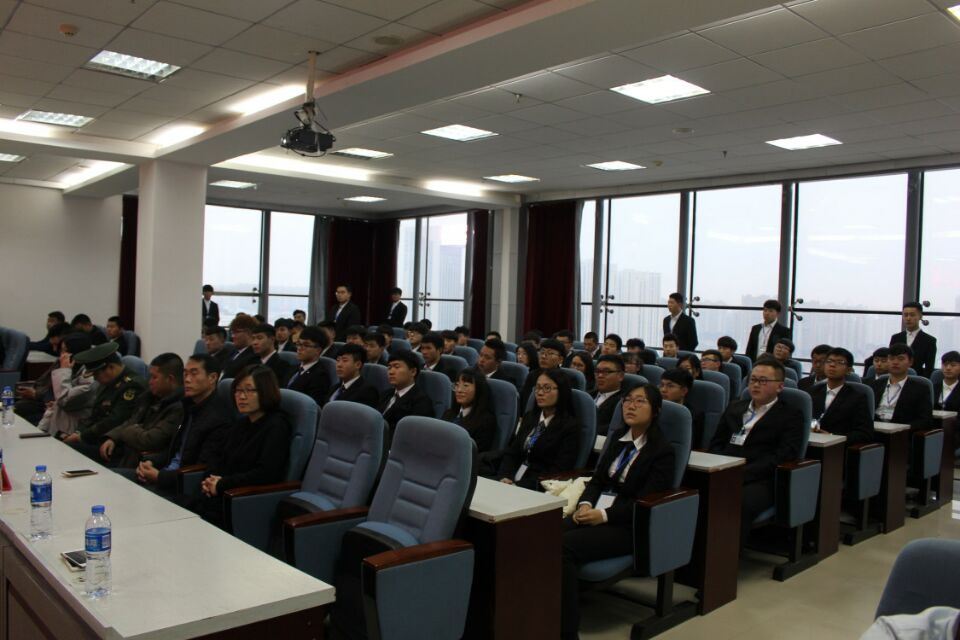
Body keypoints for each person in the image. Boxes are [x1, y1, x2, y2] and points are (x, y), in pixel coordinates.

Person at [561, 383, 675, 640]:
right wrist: (585, 504)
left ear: (655, 410)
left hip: (628, 525)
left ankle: (565, 630)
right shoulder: (618, 439)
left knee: (563, 548)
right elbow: (597, 481)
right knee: (544, 534)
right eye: (627, 400)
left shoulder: (662, 451)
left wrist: (603, 516)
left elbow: (645, 502)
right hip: (596, 513)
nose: (630, 406)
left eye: (640, 401)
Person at [710, 358, 804, 547]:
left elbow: (784, 455)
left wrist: (743, 472)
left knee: (737, 501)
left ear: (779, 386)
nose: (755, 385)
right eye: (753, 380)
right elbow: (716, 443)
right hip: (725, 470)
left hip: (762, 478)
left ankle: (726, 555)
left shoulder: (791, 415)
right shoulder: (735, 407)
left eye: (763, 381)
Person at [189, 366, 291, 528]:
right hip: (219, 494)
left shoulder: (277, 426)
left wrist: (221, 484)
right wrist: (209, 480)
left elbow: (265, 474)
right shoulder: (242, 423)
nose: (241, 397)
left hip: (242, 501)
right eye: (238, 391)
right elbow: (218, 456)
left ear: (265, 391)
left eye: (249, 390)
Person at [133, 354, 232, 497]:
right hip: (166, 476)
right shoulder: (188, 406)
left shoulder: (219, 418)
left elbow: (202, 469)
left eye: (194, 374)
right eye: (185, 374)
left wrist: (160, 477)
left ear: (212, 378)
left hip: (184, 490)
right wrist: (149, 462)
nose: (187, 379)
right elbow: (176, 451)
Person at [75, 353, 185, 469]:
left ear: (170, 379)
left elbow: (149, 440)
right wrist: (113, 438)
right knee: (74, 450)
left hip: (142, 463)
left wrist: (128, 431)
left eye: (154, 377)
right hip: (125, 453)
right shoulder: (149, 397)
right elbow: (132, 421)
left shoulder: (178, 408)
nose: (150, 382)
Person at [497, 368, 580, 490]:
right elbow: (512, 453)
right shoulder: (530, 417)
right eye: (538, 388)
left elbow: (558, 471)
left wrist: (518, 486)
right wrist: (505, 477)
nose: (540, 393)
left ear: (562, 392)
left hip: (537, 486)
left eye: (547, 388)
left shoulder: (570, 427)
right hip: (512, 479)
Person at [61, 342, 146, 445]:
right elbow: (95, 414)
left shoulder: (132, 386)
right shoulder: (109, 381)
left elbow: (115, 419)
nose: (95, 378)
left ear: (111, 367)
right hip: (97, 436)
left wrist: (82, 437)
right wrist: (78, 432)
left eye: (96, 374)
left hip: (112, 441)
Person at [809, 348, 874, 446]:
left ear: (848, 370)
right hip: (811, 443)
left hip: (838, 447)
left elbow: (865, 433)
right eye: (829, 361)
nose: (832, 365)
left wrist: (833, 437)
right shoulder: (812, 391)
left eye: (840, 362)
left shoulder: (857, 397)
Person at [35, 332, 95, 437]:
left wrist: (64, 370)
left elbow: (64, 401)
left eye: (65, 351)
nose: (62, 355)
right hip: (59, 424)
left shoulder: (89, 377)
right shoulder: (74, 369)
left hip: (73, 431)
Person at [870, 344, 933, 430]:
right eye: (891, 358)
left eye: (900, 359)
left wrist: (902, 429)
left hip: (901, 433)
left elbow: (925, 420)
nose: (895, 362)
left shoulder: (920, 389)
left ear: (910, 362)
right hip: (874, 430)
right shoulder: (875, 385)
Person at [442, 368, 497, 452]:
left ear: (478, 389)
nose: (459, 390)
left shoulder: (486, 421)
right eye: (457, 385)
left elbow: (476, 453)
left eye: (465, 385)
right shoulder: (448, 413)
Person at [380, 350, 434, 430]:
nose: (391, 372)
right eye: (389, 367)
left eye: (396, 367)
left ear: (413, 372)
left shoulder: (422, 402)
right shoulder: (385, 394)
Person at [287, 326, 332, 406]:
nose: (299, 348)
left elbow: (311, 406)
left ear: (318, 350)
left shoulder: (320, 376)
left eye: (305, 345)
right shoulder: (292, 368)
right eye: (299, 344)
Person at [659, 367, 705, 448]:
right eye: (662, 385)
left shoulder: (693, 415)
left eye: (670, 386)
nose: (663, 390)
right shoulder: (651, 408)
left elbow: (691, 445)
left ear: (684, 391)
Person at [890, 301, 937, 378]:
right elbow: (890, 360)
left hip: (918, 379)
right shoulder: (896, 338)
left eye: (912, 315)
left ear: (920, 316)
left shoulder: (929, 340)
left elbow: (929, 368)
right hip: (896, 378)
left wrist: (922, 383)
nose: (908, 318)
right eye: (905, 315)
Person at [519, 338, 566, 412]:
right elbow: (524, 402)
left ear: (560, 359)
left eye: (550, 353)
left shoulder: (564, 379)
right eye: (542, 352)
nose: (543, 356)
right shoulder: (532, 375)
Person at [327, 344, 379, 408]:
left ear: (358, 365)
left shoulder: (367, 391)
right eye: (338, 360)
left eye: (344, 361)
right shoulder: (334, 388)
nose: (339, 365)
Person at [593, 355, 625, 436]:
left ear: (620, 376)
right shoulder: (587, 395)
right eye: (597, 371)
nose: (600, 375)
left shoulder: (623, 403)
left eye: (606, 372)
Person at [221, 314, 260, 379]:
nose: (233, 336)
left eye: (236, 332)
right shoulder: (232, 352)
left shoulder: (254, 357)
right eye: (232, 332)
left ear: (249, 333)